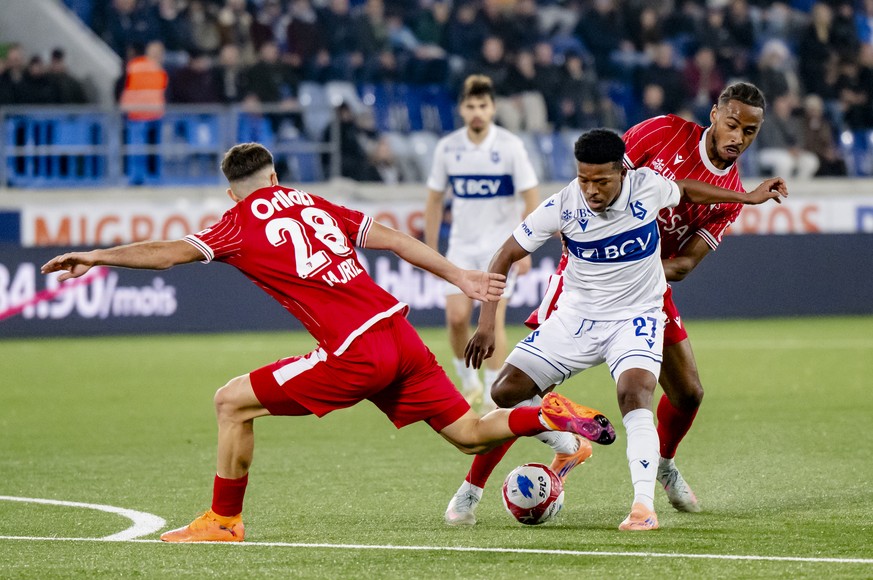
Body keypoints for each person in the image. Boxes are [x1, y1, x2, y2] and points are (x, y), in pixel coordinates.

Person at [40, 142, 616, 543]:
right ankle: (541, 415)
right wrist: (462, 276)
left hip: (355, 351)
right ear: (274, 174)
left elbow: (167, 252)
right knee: (468, 435)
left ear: (231, 189)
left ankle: (222, 519)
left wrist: (97, 255)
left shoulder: (236, 223)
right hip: (398, 332)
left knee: (230, 401)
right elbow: (391, 239)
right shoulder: (313, 203)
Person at [444, 82, 772, 527]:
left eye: (749, 132)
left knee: (687, 392)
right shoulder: (660, 134)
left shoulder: (717, 193)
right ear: (715, 114)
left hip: (644, 289)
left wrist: (636, 263)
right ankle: (478, 485)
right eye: (732, 124)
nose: (738, 137)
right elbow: (599, 181)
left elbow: (684, 261)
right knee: (510, 391)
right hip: (580, 284)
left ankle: (660, 468)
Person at [423, 74, 540, 411]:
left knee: (493, 319)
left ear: (492, 109)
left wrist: (525, 245)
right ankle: (468, 380)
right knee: (457, 318)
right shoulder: (448, 148)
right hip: (461, 246)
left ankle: (492, 389)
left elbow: (531, 196)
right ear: (461, 109)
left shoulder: (510, 147)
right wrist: (431, 249)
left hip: (499, 250)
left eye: (483, 105)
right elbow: (433, 201)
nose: (477, 112)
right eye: (471, 105)